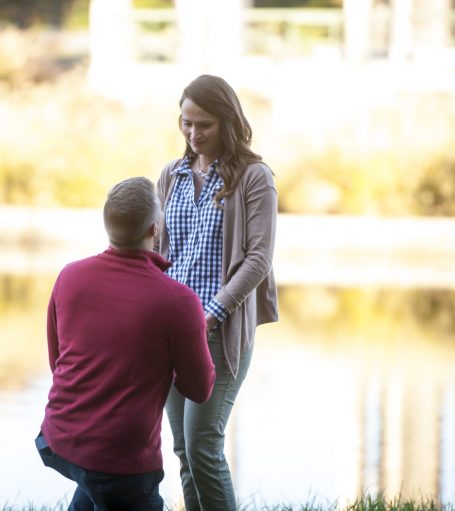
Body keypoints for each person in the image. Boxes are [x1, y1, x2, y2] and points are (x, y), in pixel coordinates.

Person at [36, 176, 216, 511]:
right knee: (109, 483)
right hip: (123, 461)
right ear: (154, 229)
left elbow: (57, 359)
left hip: (58, 437)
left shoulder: (70, 276)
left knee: (95, 483)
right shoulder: (178, 301)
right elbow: (200, 388)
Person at [156, 74, 279, 510]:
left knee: (203, 445)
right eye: (186, 123)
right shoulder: (171, 175)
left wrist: (212, 313)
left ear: (227, 121)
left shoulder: (254, 177)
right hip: (170, 332)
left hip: (217, 331)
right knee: (184, 454)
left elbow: (258, 259)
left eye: (203, 124)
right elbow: (158, 251)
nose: (193, 133)